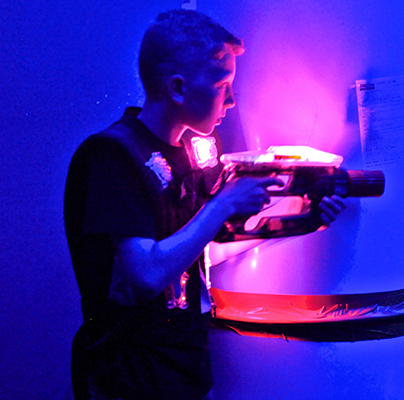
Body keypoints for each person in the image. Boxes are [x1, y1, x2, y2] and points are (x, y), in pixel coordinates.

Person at [64, 10, 345, 399]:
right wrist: (223, 204)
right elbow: (145, 274)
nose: (231, 99)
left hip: (181, 372)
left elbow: (199, 255)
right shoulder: (114, 155)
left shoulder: (184, 154)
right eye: (222, 83)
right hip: (128, 378)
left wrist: (301, 217)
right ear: (177, 89)